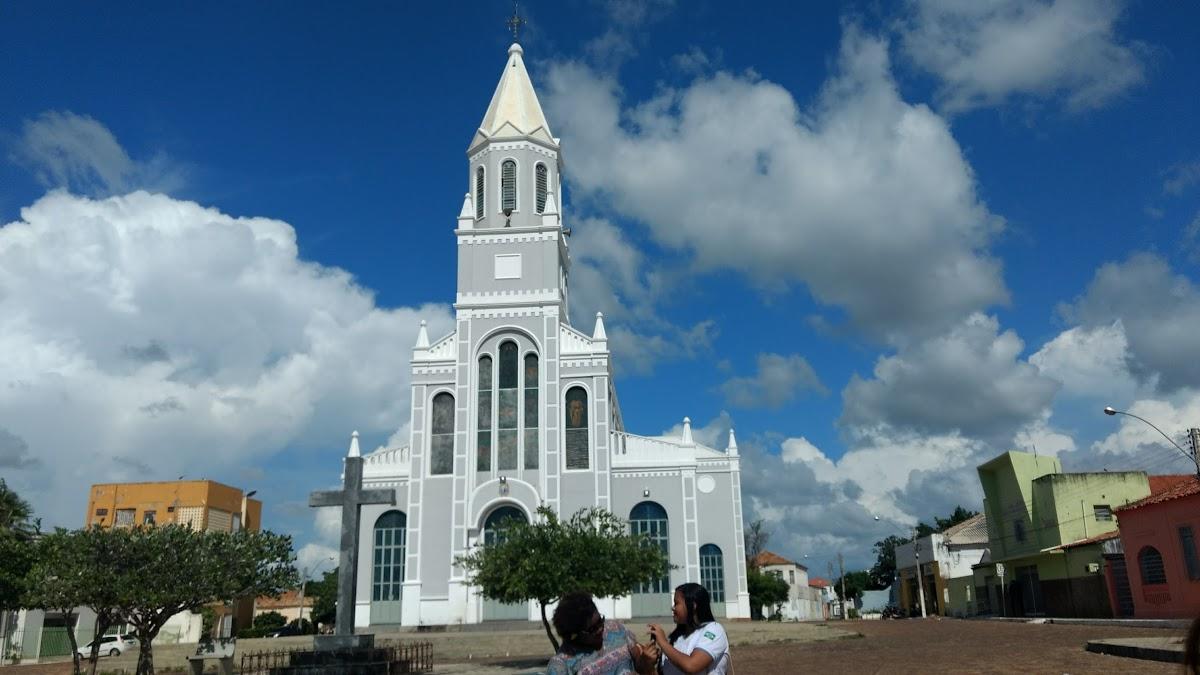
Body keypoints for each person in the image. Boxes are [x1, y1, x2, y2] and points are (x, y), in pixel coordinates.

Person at [547, 591, 659, 675]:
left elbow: (640, 665)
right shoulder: (561, 665)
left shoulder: (616, 630)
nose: (600, 629)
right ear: (574, 635)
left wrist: (646, 660)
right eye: (592, 629)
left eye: (600, 621)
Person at [649, 583, 731, 675]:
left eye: (676, 603)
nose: (673, 608)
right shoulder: (676, 638)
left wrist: (663, 643)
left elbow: (692, 666)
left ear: (693, 605)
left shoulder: (714, 629)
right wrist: (648, 665)